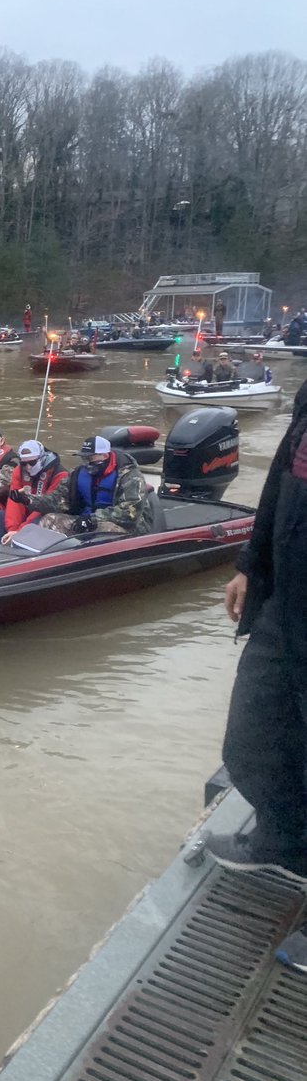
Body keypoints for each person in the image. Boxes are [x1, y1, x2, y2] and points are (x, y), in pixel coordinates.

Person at [204, 377, 307, 881]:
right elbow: (280, 484)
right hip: (287, 602)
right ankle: (285, 840)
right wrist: (250, 562)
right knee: (252, 735)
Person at [10, 435, 153, 537]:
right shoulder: (78, 474)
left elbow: (129, 514)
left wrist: (92, 519)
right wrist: (28, 500)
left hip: (128, 528)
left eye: (90, 458)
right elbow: (56, 501)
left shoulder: (130, 476)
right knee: (49, 520)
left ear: (105, 455)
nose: (86, 462)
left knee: (104, 528)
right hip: (85, 520)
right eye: (84, 457)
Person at [0, 439, 68, 546]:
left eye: (32, 463)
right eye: (24, 463)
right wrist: (12, 529)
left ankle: (23, 552)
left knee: (37, 522)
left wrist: (19, 532)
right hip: (26, 513)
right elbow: (14, 502)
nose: (28, 467)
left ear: (42, 458)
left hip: (45, 514)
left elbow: (46, 506)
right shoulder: (19, 471)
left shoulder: (59, 475)